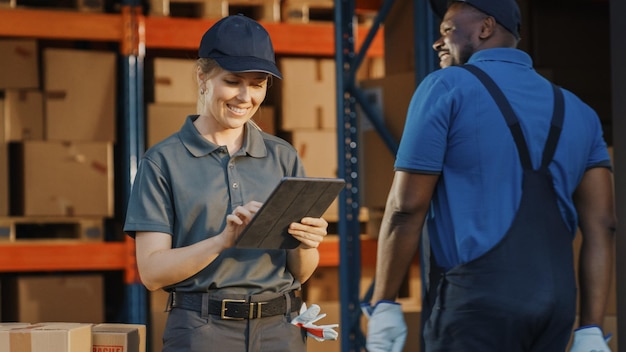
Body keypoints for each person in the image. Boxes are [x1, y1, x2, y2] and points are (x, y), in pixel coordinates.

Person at [363, 0, 616, 351]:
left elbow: (407, 206)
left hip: (476, 303)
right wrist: (591, 327)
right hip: (557, 305)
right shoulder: (579, 111)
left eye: (447, 30)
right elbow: (602, 225)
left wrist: (384, 302)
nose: (439, 42)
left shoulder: (446, 86)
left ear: (484, 29)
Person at [123, 14, 332, 352]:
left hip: (280, 331)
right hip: (201, 331)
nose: (245, 97)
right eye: (233, 81)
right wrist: (222, 241)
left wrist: (307, 244)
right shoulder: (163, 161)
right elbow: (151, 272)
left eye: (258, 84)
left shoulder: (283, 157)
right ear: (203, 77)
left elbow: (300, 273)